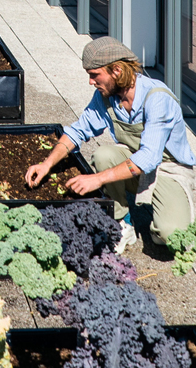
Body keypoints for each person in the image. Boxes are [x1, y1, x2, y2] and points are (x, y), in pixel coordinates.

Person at [25, 37, 196, 254]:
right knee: (103, 154)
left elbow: (149, 158)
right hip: (136, 161)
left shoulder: (157, 99)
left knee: (172, 237)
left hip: (170, 171)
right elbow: (77, 131)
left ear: (116, 70)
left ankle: (177, 207)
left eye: (94, 75)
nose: (90, 82)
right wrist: (46, 164)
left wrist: (96, 179)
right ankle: (122, 222)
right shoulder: (107, 97)